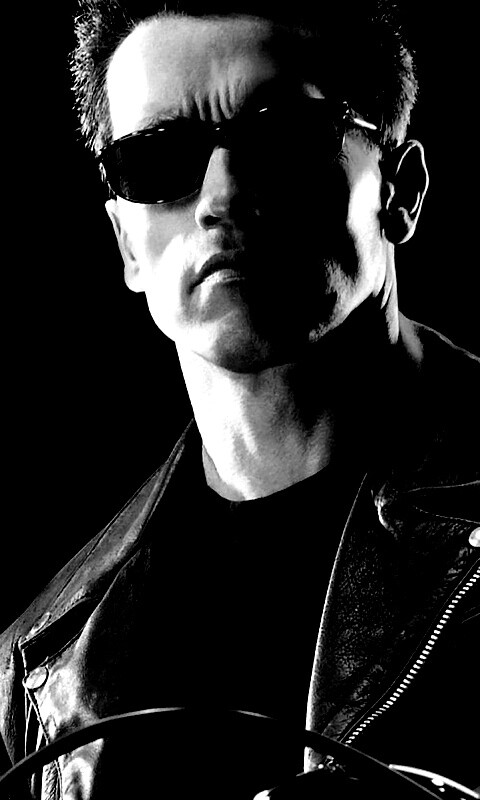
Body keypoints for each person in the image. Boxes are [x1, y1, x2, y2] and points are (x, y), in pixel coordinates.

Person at [1, 1, 479, 798]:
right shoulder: (51, 663)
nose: (221, 197)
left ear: (399, 190)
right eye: (158, 160)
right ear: (126, 243)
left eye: (283, 138)